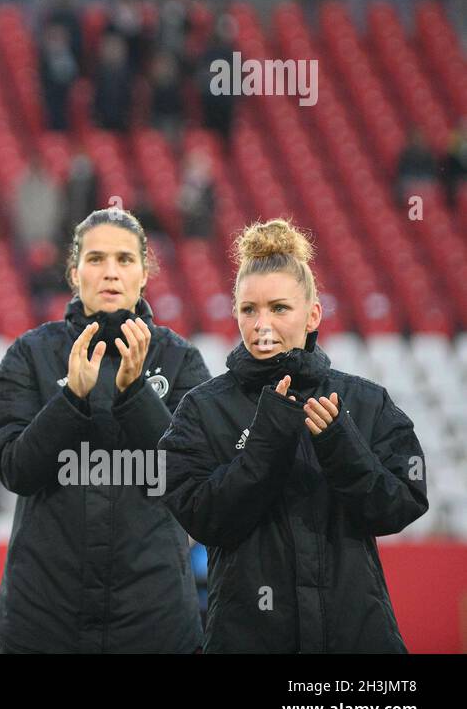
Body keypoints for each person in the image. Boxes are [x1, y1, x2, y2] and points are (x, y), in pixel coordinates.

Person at [160, 218, 428, 652]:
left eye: (279, 308)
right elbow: (204, 518)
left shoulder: (364, 401)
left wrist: (343, 448)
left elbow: (401, 505)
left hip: (355, 637)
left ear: (313, 314)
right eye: (249, 310)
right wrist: (265, 442)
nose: (262, 323)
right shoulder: (201, 409)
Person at [0, 208, 210, 652]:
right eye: (96, 259)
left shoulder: (181, 360)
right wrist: (70, 399)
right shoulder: (29, 356)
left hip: (153, 621)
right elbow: (16, 471)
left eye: (125, 260)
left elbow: (189, 478)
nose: (110, 272)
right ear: (74, 271)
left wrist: (135, 396)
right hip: (44, 620)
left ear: (145, 273)